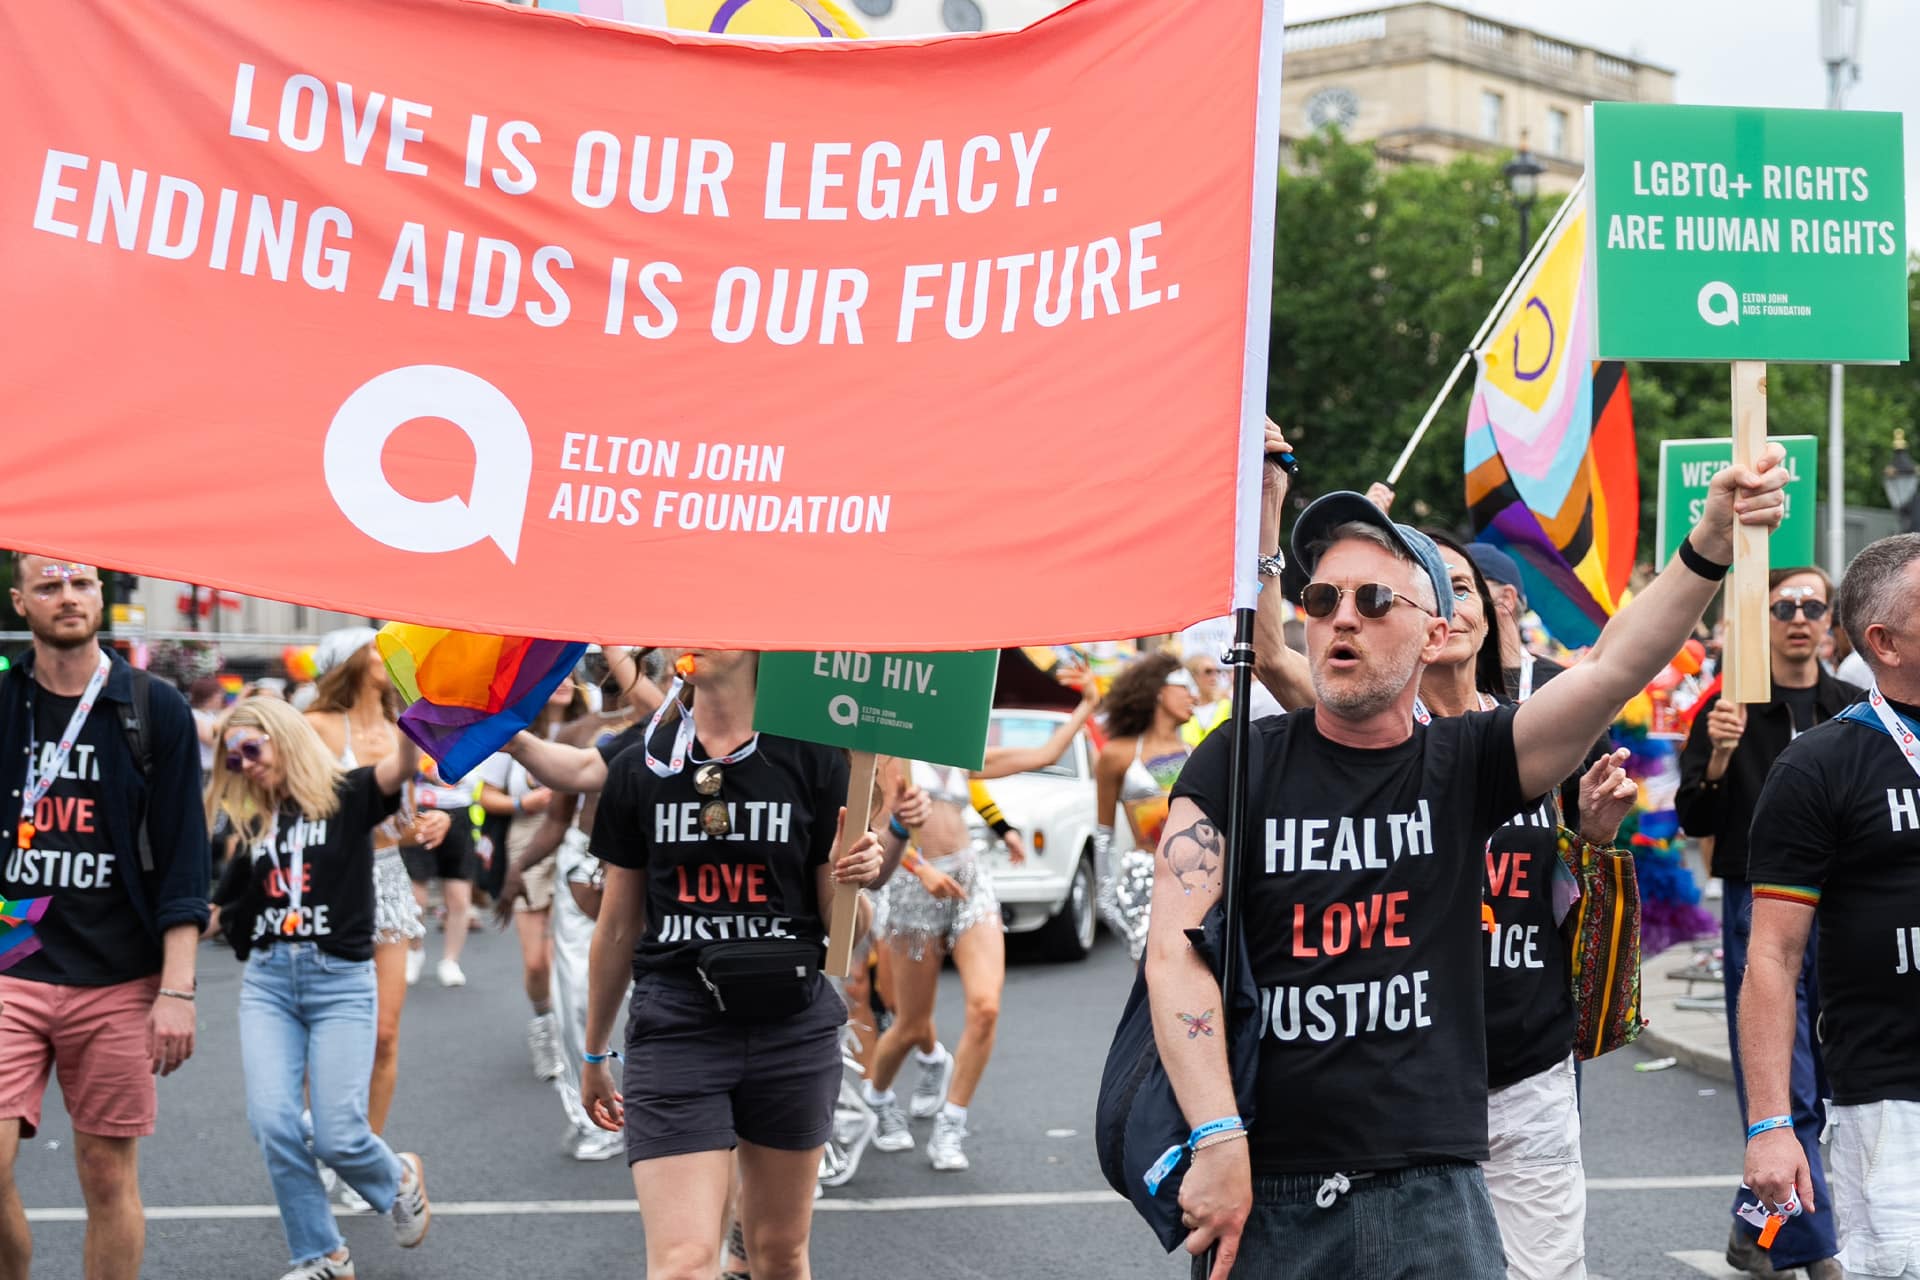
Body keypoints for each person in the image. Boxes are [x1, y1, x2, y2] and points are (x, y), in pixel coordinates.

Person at [1156, 441, 1787, 1279]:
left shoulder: (1466, 762)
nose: (1343, 616)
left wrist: (1709, 538)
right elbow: (1176, 954)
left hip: (1433, 1182)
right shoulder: (1236, 760)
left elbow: (1611, 668)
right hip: (1269, 1177)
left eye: (1376, 599)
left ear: (1435, 633)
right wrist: (1216, 1134)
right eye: (1322, 597)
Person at [579, 648, 890, 1280]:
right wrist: (592, 1053)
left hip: (792, 1025)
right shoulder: (643, 758)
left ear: (757, 645)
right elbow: (616, 927)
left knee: (777, 1254)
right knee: (684, 1264)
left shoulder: (812, 755)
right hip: (677, 1024)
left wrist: (849, 878)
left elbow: (846, 936)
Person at [0, 554, 209, 1280]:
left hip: (119, 974)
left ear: (101, 597)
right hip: (11, 965)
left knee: (107, 1176)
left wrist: (176, 992)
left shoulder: (154, 710)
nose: (69, 598)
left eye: (82, 583)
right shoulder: (4, 705)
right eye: (50, 586)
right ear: (21, 601)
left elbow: (186, 863)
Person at [1743, 534, 1920, 1280]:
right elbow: (1774, 958)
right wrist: (1771, 1125)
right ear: (1883, 641)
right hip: (1893, 1105)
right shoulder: (1819, 765)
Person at [208, 698, 431, 1280]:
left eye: (252, 747)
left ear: (282, 738)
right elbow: (220, 907)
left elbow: (403, 765)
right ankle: (323, 1255)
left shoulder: (347, 795)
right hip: (269, 983)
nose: (245, 763)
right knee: (273, 1121)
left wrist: (412, 711)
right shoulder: (254, 824)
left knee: (337, 1136)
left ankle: (397, 1177)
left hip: (338, 983)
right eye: (234, 757)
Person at [1677, 566, 1856, 1280]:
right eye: (1784, 605)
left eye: (1815, 605)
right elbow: (1694, 817)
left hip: (1844, 911)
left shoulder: (1854, 706)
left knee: (1831, 1081)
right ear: (1765, 620)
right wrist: (1718, 755)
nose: (1800, 616)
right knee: (1785, 1083)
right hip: (1762, 910)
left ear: (1832, 620)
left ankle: (1755, 1225)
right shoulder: (1729, 706)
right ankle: (1815, 1252)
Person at [863, 675, 1099, 1172]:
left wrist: (1087, 707)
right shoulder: (888, 755)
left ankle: (951, 1124)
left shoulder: (958, 752)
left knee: (986, 1008)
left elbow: (1042, 754)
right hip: (911, 888)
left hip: (970, 881)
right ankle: (879, 1101)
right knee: (909, 1025)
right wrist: (919, 868)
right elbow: (871, 833)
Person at [302, 628, 447, 1172]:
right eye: (375, 648)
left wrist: (428, 823)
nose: (387, 657)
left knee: (384, 1034)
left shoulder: (397, 732)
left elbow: (400, 823)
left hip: (387, 879)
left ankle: (363, 1155)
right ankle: (323, 1147)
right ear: (348, 662)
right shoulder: (313, 728)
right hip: (328, 881)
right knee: (326, 1029)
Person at [478, 675, 584, 1084]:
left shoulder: (588, 727)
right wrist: (524, 801)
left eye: (572, 677)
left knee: (566, 952)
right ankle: (544, 1025)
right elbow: (486, 794)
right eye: (556, 678)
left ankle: (573, 1039)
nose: (565, 684)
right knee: (536, 960)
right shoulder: (516, 733)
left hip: (576, 840)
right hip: (527, 841)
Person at [1091, 654, 1197, 957]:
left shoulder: (1199, 753)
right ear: (1159, 691)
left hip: (1193, 878)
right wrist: (1106, 898)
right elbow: (1103, 833)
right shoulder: (1118, 755)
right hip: (1145, 878)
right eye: (1184, 686)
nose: (1194, 696)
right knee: (1150, 979)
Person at [1465, 543, 1569, 702]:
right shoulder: (1444, 683)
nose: (1451, 602)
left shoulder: (1561, 684)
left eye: (1463, 588)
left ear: (1506, 599)